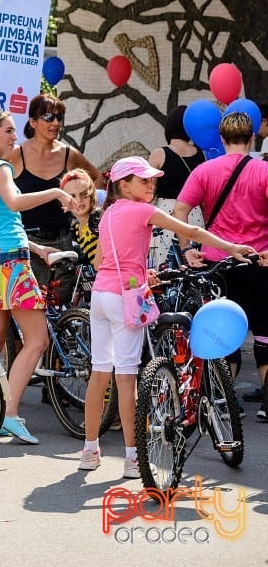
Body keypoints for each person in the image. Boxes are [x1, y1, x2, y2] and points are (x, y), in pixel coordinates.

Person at [79, 155, 253, 478]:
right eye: (143, 180)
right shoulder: (144, 210)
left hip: (101, 297)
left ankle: (90, 450)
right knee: (126, 377)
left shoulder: (108, 214)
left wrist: (140, 273)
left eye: (152, 179)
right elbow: (190, 230)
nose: (151, 184)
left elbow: (104, 260)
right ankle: (133, 457)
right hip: (124, 300)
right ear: (123, 185)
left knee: (99, 372)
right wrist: (233, 248)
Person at [0, 108, 79, 445]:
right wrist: (57, 192)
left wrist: (37, 248)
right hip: (11, 265)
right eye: (9, 131)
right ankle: (9, 413)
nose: (15, 137)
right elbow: (13, 204)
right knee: (38, 340)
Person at [174, 111, 268, 420]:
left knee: (225, 332)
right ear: (252, 137)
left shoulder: (204, 171)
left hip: (218, 264)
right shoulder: (264, 171)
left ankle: (226, 401)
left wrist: (187, 249)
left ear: (222, 139)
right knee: (265, 332)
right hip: (259, 262)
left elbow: (180, 210)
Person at [9, 93, 104, 287]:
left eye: (59, 117)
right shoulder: (16, 154)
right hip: (28, 243)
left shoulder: (68, 154)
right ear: (33, 122)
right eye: (49, 117)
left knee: (60, 308)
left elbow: (97, 178)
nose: (56, 123)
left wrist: (84, 209)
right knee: (28, 306)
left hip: (63, 241)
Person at [147, 105, 205, 267]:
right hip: (194, 213)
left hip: (167, 214)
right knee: (195, 263)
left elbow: (149, 191)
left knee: (166, 267)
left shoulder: (159, 153)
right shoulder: (201, 154)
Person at [60, 168, 100, 266]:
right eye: (73, 196)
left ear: (92, 194)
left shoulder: (97, 219)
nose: (79, 200)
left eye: (84, 194)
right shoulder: (76, 229)